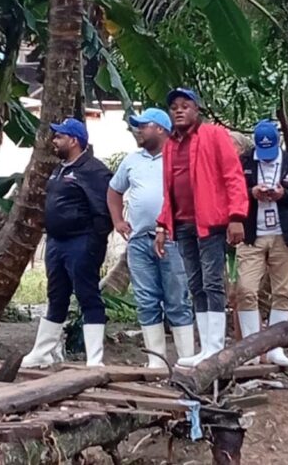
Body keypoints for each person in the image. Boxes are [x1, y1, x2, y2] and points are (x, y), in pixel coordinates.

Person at [154, 88, 249, 367]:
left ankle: (215, 347)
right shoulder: (170, 144)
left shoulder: (214, 135)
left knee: (212, 281)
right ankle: (206, 345)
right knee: (195, 283)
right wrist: (162, 224)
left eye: (185, 105)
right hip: (182, 222)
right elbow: (169, 188)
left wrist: (236, 216)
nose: (179, 110)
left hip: (211, 221)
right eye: (174, 107)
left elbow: (233, 175)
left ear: (197, 110)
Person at [22, 118, 113, 368]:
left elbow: (103, 211)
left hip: (81, 242)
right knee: (56, 296)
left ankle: (95, 358)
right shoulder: (59, 169)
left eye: (59, 137)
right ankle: (43, 351)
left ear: (74, 140)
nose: (54, 141)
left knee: (87, 295)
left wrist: (94, 241)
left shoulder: (93, 170)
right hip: (56, 243)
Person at [107, 108, 194, 368]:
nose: (138, 130)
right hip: (139, 240)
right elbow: (113, 191)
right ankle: (156, 362)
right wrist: (118, 221)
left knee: (177, 299)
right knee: (146, 301)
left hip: (173, 238)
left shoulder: (179, 157)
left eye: (143, 126)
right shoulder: (132, 160)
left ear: (160, 128)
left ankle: (187, 361)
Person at [236, 120, 288, 367]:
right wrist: (252, 192)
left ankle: (276, 349)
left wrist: (284, 195)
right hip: (252, 234)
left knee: (283, 292)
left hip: (285, 234)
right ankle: (250, 348)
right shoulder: (246, 162)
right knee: (246, 290)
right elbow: (233, 190)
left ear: (278, 142)